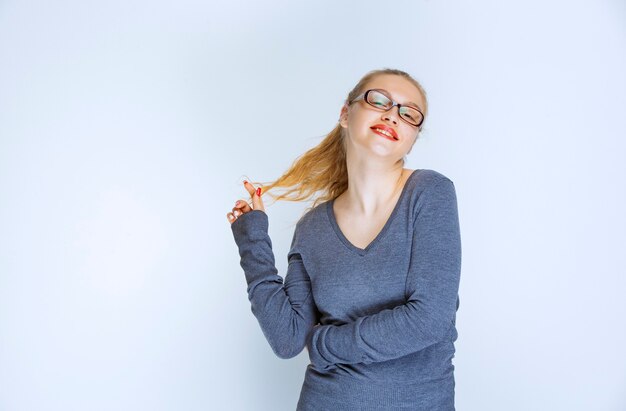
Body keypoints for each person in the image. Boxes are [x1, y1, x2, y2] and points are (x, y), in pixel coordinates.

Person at [226, 68, 462, 410]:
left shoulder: (429, 193)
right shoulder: (312, 227)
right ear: (345, 114)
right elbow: (289, 339)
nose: (391, 114)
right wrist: (253, 242)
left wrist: (325, 344)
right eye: (378, 100)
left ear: (413, 137)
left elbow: (427, 320)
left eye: (408, 113)